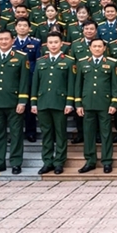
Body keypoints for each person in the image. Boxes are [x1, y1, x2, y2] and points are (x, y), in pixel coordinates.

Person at [0, 30, 30, 175]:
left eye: (6, 39)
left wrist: (22, 101)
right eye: (1, 39)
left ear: (12, 40)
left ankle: (16, 162)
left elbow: (24, 81)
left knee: (16, 134)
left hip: (14, 102)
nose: (3, 42)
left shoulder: (21, 57)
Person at [30, 32, 75, 175]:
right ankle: (47, 161)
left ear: (61, 44)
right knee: (46, 134)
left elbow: (71, 84)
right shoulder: (41, 61)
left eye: (56, 42)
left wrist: (69, 103)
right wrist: (33, 102)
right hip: (43, 102)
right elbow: (35, 83)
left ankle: (59, 162)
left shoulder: (68, 61)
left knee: (60, 133)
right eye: (50, 42)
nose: (53, 45)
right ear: (46, 45)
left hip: (60, 102)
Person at [74, 38, 117, 174]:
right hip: (87, 103)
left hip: (104, 104)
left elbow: (115, 85)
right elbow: (78, 85)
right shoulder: (82, 63)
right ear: (90, 48)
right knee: (88, 133)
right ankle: (90, 161)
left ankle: (107, 161)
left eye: (100, 46)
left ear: (104, 48)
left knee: (106, 133)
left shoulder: (111, 63)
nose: (97, 48)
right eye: (94, 46)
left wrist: (114, 102)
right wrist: (78, 104)